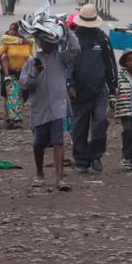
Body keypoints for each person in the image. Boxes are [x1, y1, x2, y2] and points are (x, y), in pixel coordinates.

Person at [20, 16, 78, 191]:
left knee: (58, 141)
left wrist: (67, 30)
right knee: (38, 143)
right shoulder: (33, 61)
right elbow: (23, 84)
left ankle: (60, 179)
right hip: (40, 108)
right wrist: (35, 74)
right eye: (44, 41)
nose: (48, 45)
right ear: (39, 41)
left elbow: (75, 49)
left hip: (58, 107)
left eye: (50, 41)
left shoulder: (61, 58)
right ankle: (39, 173)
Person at [67, 3, 117, 174]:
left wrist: (112, 85)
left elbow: (110, 63)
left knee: (101, 121)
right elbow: (68, 64)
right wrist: (70, 84)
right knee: (78, 128)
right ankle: (81, 160)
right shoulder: (72, 39)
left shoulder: (102, 38)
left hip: (99, 90)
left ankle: (96, 154)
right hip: (78, 91)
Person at [0, 21, 34, 130]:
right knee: (11, 95)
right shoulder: (7, 42)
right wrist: (4, 69)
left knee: (22, 96)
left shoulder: (29, 43)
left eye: (14, 30)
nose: (11, 32)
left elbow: (33, 57)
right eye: (10, 29)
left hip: (23, 73)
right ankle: (14, 119)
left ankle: (14, 116)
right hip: (9, 72)